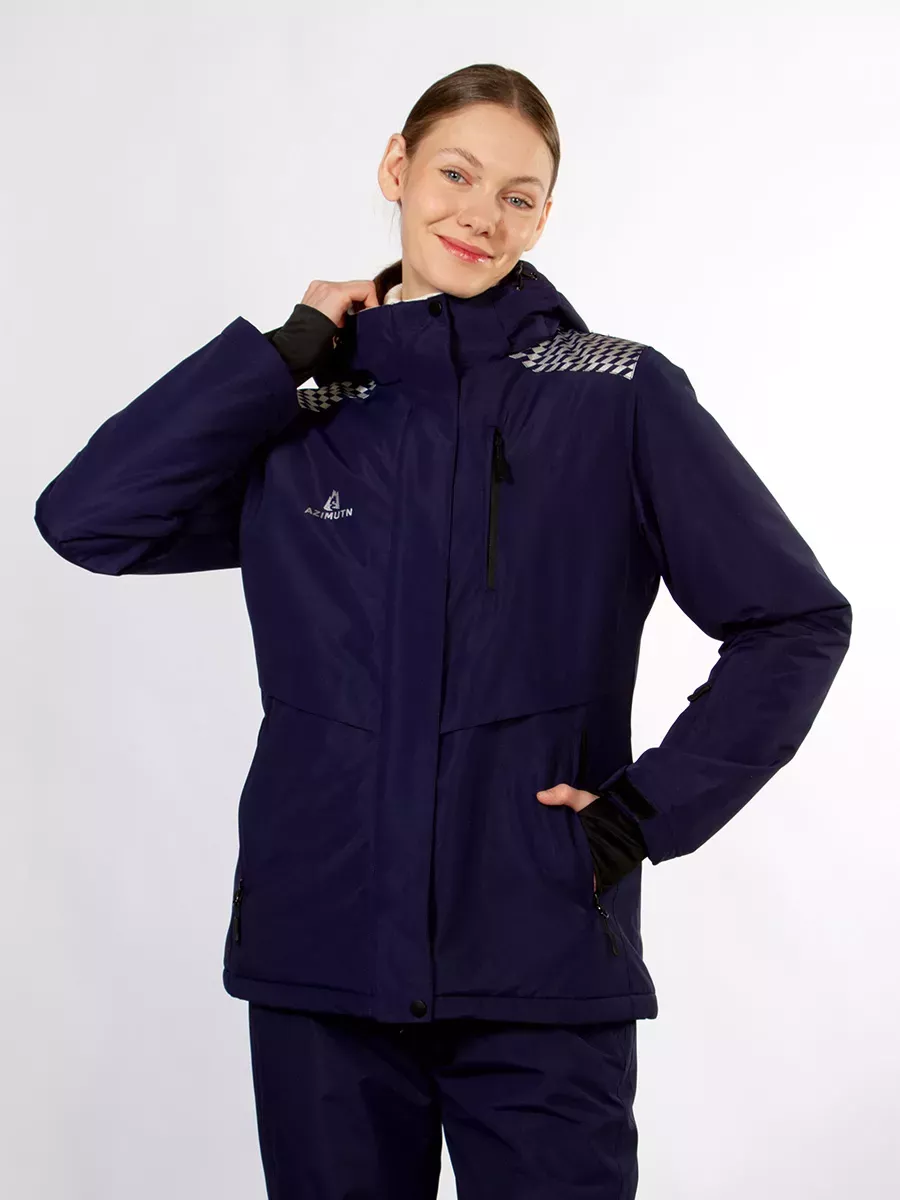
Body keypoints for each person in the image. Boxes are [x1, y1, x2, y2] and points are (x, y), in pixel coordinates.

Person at [34, 62, 852, 1200]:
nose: (482, 214)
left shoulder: (614, 394)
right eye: (456, 174)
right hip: (322, 954)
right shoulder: (306, 412)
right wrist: (280, 352)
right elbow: (90, 520)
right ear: (396, 169)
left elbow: (794, 619)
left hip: (538, 955)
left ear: (545, 217)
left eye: (519, 195)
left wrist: (639, 816)